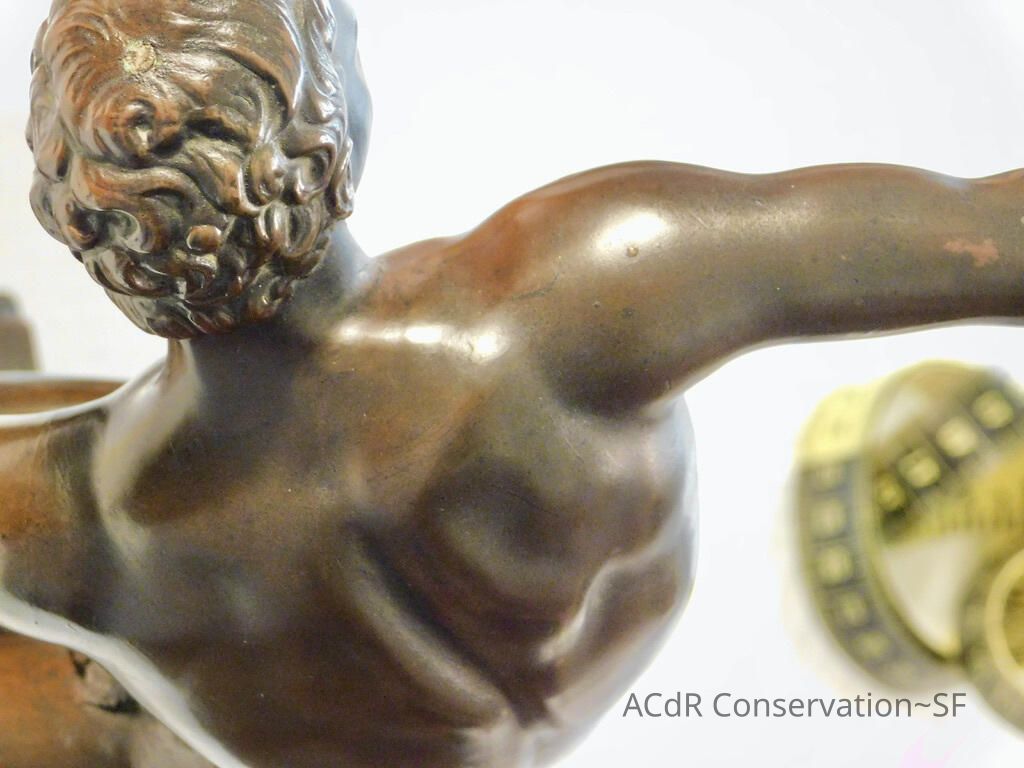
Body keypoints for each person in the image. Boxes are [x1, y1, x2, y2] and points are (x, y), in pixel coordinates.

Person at [7, 0, 1024, 765]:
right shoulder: (582, 289)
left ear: (80, 224)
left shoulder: (71, 520)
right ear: (335, 117)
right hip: (612, 676)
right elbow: (994, 235)